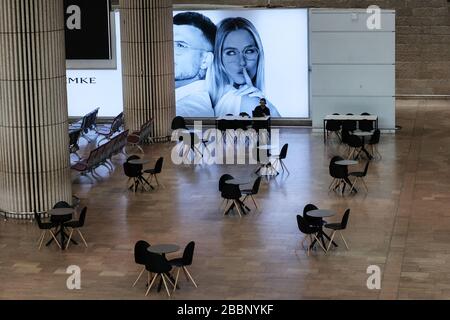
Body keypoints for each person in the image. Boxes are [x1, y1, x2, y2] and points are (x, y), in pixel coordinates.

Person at [209, 17, 280, 117]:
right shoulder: (251, 103)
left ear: (259, 54)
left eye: (249, 51)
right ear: (217, 57)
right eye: (231, 52)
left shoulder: (211, 100)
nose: (242, 62)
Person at [173, 12, 216, 117]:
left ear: (205, 60)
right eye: (167, 42)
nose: (167, 51)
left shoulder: (190, 111)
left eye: (180, 45)